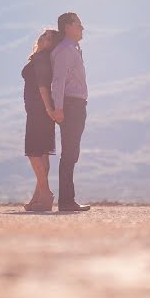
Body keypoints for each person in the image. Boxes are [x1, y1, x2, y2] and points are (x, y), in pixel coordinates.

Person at [51, 12, 90, 212]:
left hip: (76, 104)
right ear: (68, 26)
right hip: (70, 105)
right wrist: (58, 107)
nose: (82, 28)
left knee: (71, 152)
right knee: (69, 153)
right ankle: (66, 201)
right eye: (79, 24)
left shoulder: (73, 49)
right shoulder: (66, 50)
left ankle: (68, 200)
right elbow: (58, 80)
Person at [21, 28, 60, 211]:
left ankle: (45, 193)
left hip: (39, 110)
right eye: (45, 34)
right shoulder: (39, 58)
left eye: (49, 38)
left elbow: (43, 86)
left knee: (33, 152)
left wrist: (47, 109)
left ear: (52, 44)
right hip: (38, 110)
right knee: (42, 153)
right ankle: (38, 198)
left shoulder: (42, 59)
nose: (44, 37)